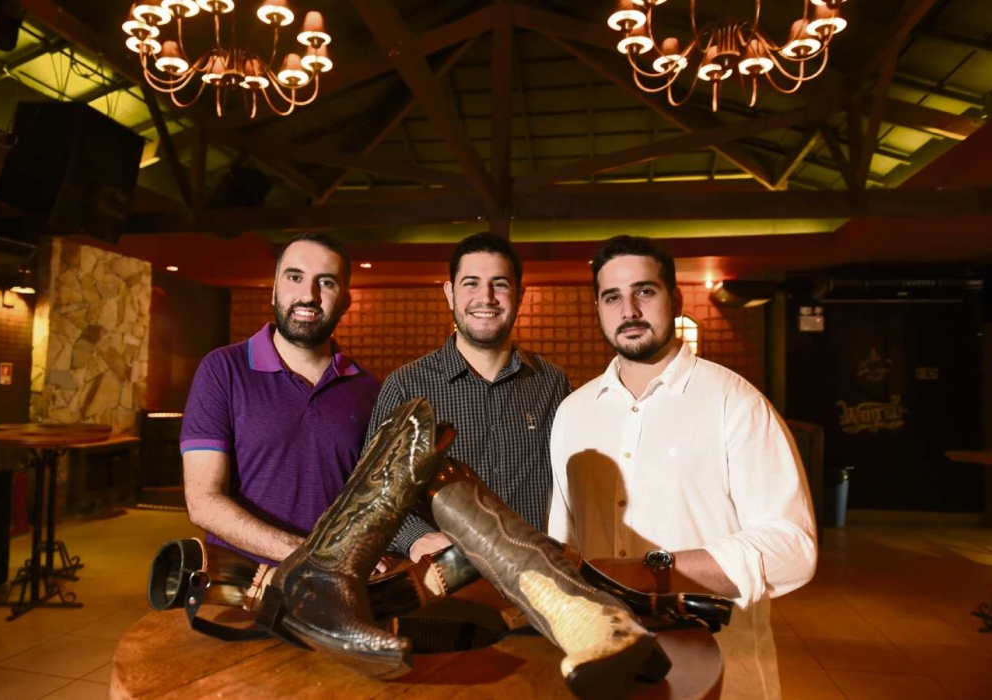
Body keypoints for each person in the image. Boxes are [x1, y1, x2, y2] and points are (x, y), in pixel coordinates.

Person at [548, 235, 817, 700]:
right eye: (612, 297)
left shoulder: (735, 402)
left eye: (644, 291)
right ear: (598, 308)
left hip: (719, 670)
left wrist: (653, 571)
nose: (629, 309)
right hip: (603, 664)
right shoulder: (573, 412)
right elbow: (564, 543)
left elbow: (792, 547)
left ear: (675, 299)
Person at [366, 232, 572, 562]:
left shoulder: (552, 383)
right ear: (450, 294)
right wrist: (416, 538)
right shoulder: (406, 387)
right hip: (445, 581)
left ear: (519, 295)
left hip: (538, 579)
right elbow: (372, 495)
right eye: (471, 283)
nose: (486, 297)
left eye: (499, 284)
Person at [180, 233, 379, 566]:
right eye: (294, 277)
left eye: (326, 283)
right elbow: (203, 501)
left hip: (332, 586)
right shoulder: (222, 369)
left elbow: (370, 499)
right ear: (274, 289)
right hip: (241, 585)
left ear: (345, 301)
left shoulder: (367, 388)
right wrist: (310, 556)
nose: (308, 295)